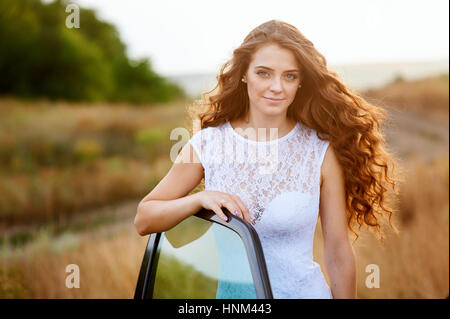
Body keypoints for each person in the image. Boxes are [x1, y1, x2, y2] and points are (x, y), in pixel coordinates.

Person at [134, 20, 401, 299]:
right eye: (264, 73)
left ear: (300, 82)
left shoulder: (320, 150)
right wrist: (198, 199)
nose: (277, 87)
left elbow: (337, 251)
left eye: (289, 76)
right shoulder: (208, 144)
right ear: (244, 75)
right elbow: (144, 219)